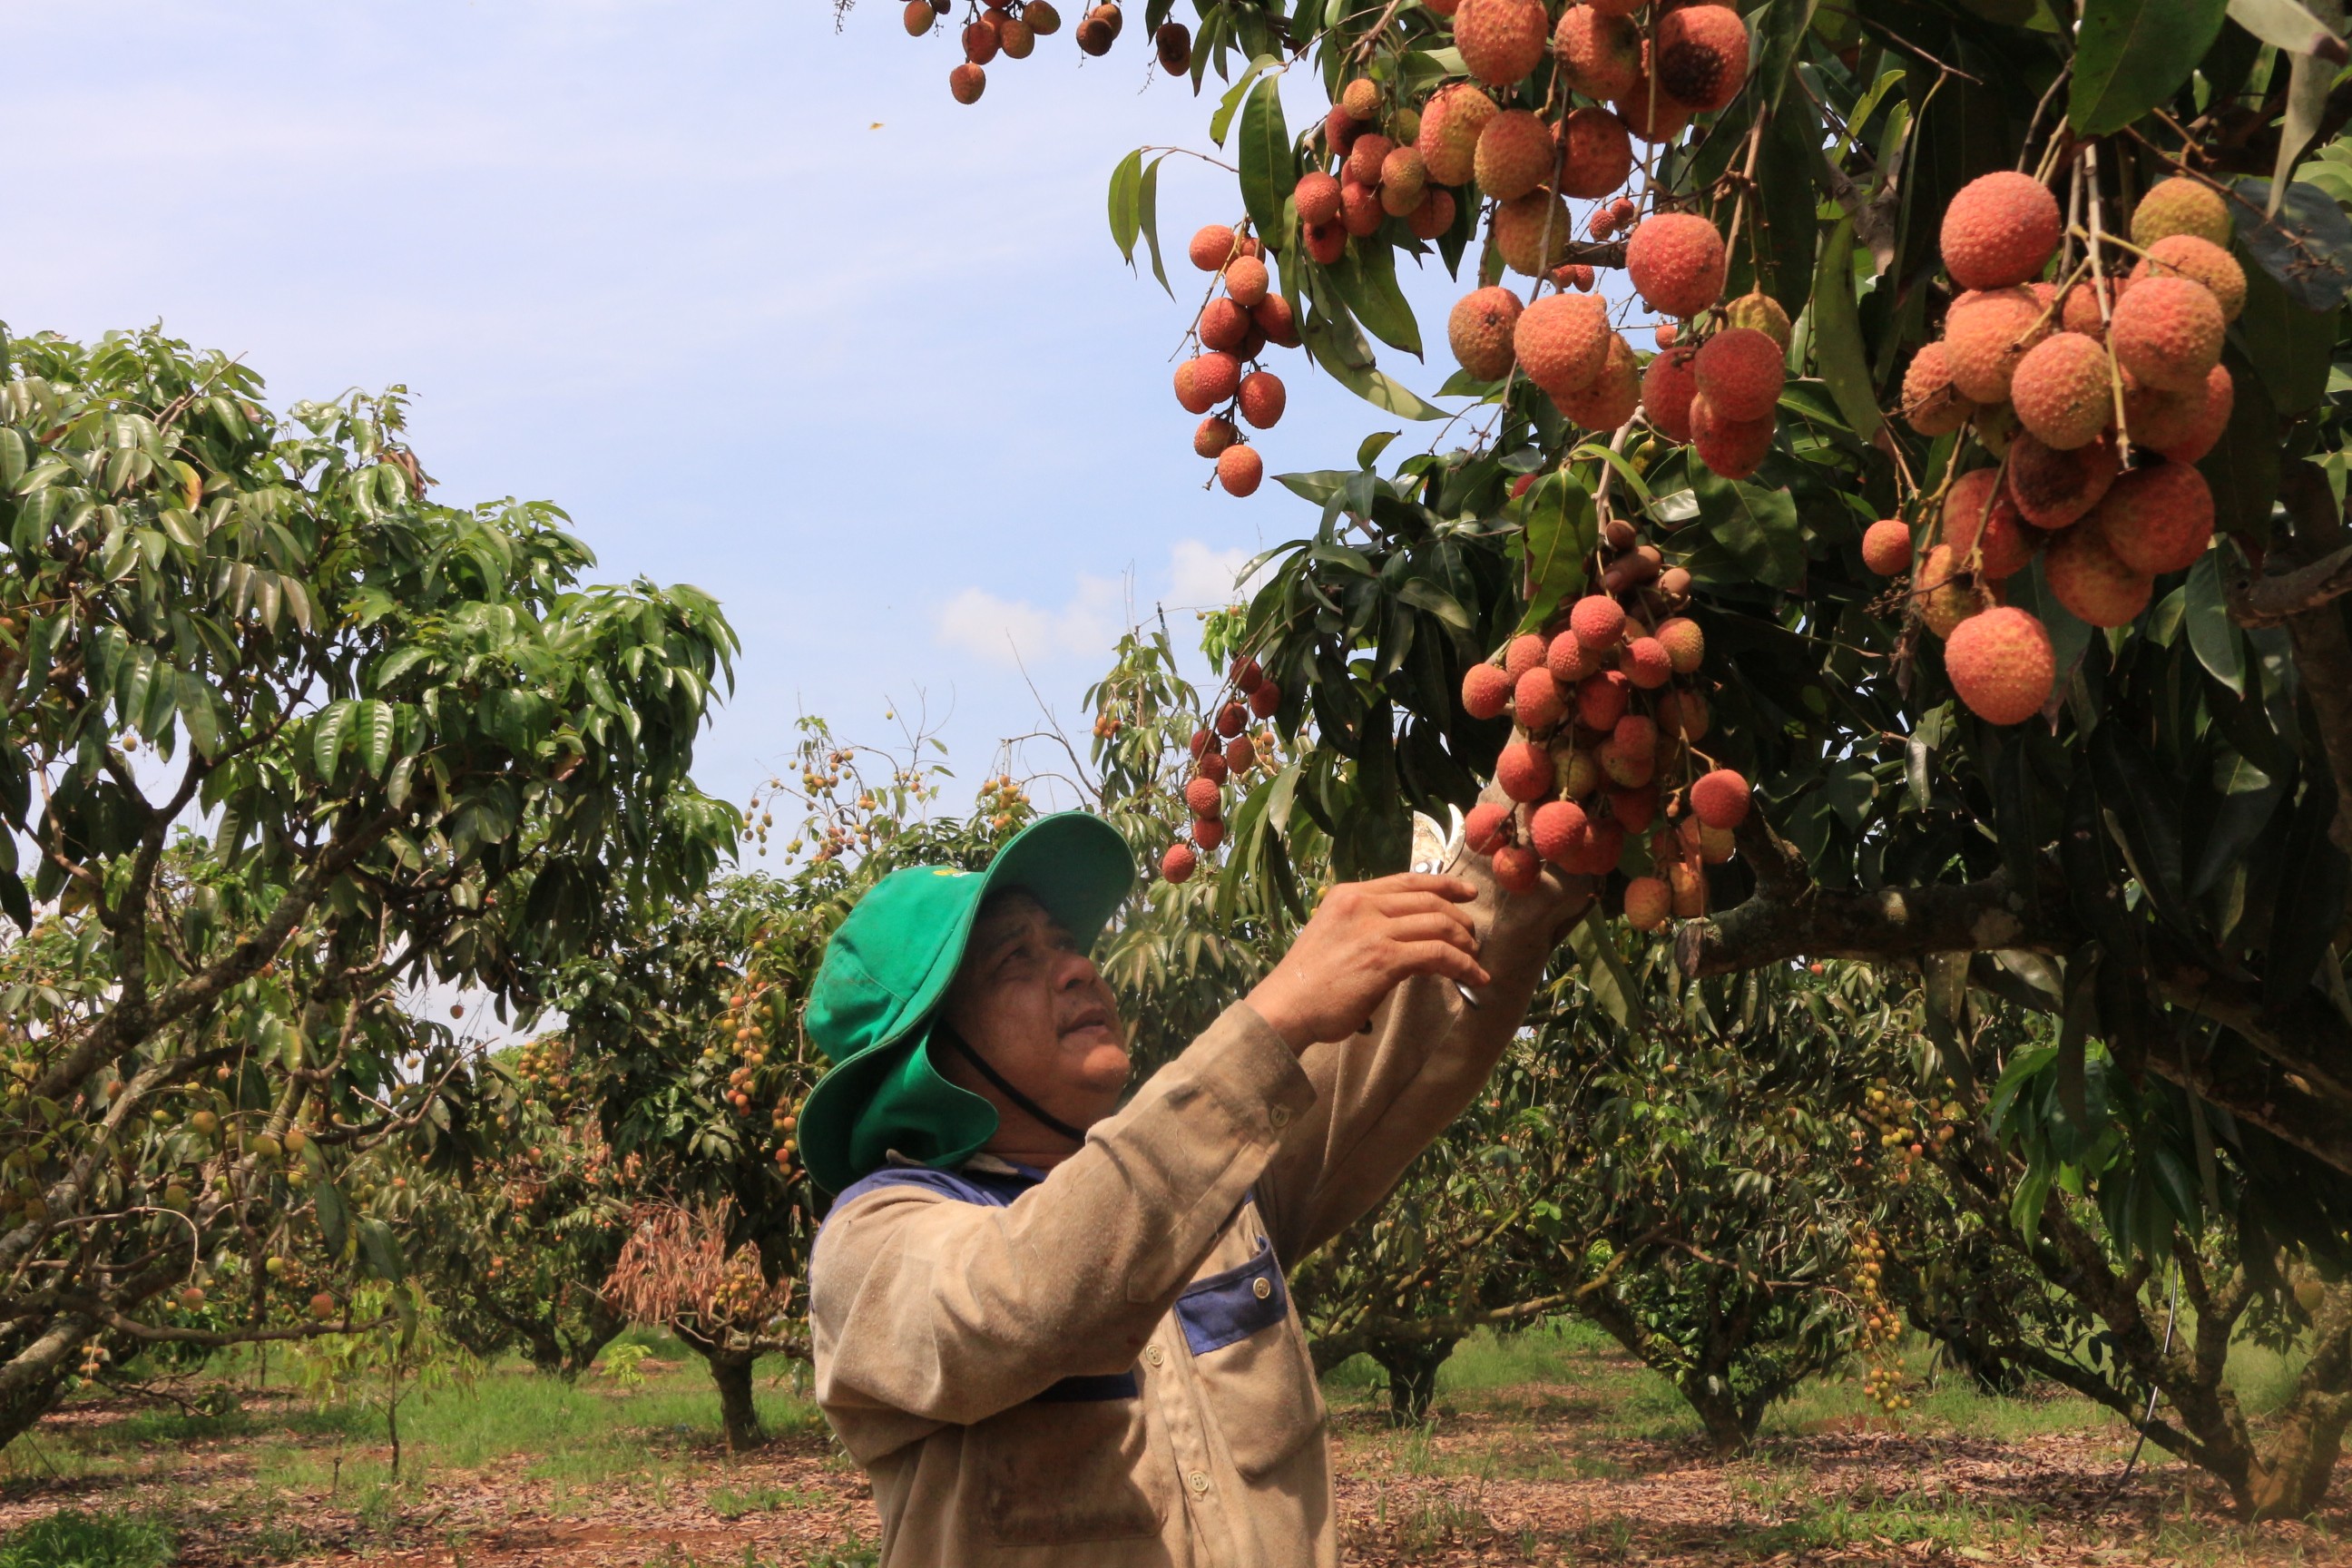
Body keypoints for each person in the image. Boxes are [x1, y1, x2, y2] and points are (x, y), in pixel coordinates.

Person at [799, 807, 1585, 1565]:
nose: (1077, 968)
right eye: (1016, 960)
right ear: (932, 1061)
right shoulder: (872, 1244)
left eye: (1067, 944)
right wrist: (1275, 1015)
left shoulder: (1215, 1188)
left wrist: (1536, 817)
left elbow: (1417, 1021)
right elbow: (1017, 1297)